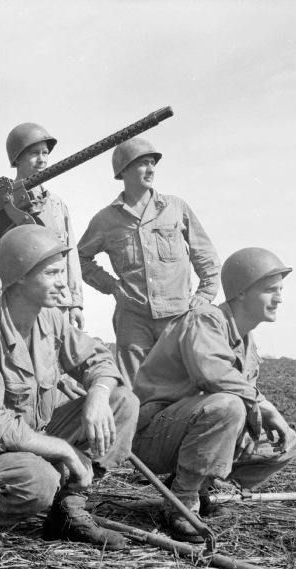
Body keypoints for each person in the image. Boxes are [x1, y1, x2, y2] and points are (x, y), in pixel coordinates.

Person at [0, 225, 139, 550]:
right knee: (40, 479)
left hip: (29, 435)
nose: (63, 282)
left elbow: (99, 359)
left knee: (121, 401)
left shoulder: (50, 317)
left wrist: (97, 397)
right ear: (22, 276)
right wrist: (65, 450)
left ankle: (68, 510)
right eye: (53, 273)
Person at [132, 247, 296, 542]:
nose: (279, 298)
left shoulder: (248, 344)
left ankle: (197, 483)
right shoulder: (205, 319)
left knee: (286, 443)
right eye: (270, 290)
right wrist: (267, 408)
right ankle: (181, 504)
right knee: (229, 405)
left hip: (193, 429)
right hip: (152, 435)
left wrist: (251, 429)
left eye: (280, 290)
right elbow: (213, 376)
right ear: (241, 292)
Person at [78, 138, 221, 387]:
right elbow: (79, 258)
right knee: (134, 390)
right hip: (133, 320)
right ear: (123, 171)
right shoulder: (106, 219)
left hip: (177, 318)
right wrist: (111, 286)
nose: (151, 169)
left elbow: (205, 255)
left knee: (182, 387)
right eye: (143, 163)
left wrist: (205, 294)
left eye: (152, 163)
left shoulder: (175, 208)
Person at [0, 122, 84, 329]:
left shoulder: (57, 205)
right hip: (20, 307)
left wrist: (76, 303)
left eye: (45, 153)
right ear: (16, 158)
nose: (42, 159)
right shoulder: (2, 205)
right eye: (34, 153)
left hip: (58, 303)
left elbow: (71, 256)